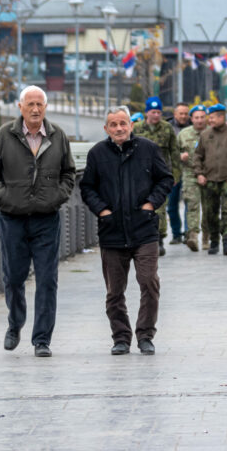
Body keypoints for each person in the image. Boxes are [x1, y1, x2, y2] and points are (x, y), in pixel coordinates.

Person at [0, 86, 76, 358]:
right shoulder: (4, 135)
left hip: (47, 219)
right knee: (13, 278)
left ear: (46, 107)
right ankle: (15, 323)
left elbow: (69, 172)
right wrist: (3, 197)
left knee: (47, 280)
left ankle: (42, 339)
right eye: (30, 104)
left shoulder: (57, 136)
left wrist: (58, 196)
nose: (35, 109)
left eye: (40, 104)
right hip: (13, 218)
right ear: (20, 107)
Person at [80, 106, 174, 356]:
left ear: (131, 125)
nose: (119, 128)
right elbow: (87, 188)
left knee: (148, 282)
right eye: (113, 124)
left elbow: (166, 179)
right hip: (112, 233)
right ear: (106, 129)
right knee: (114, 291)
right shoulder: (97, 154)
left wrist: (150, 204)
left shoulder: (148, 149)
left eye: (123, 123)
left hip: (144, 230)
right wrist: (103, 211)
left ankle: (145, 335)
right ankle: (121, 337)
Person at [194, 103, 227, 255]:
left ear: (221, 117)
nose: (209, 120)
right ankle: (214, 241)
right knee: (210, 212)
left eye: (212, 117)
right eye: (209, 117)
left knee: (226, 211)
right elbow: (197, 156)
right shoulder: (205, 135)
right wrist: (199, 173)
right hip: (209, 180)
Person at [133, 97, 181, 255]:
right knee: (141, 208)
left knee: (160, 209)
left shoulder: (167, 129)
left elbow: (174, 152)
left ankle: (159, 239)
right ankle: (143, 240)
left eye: (159, 112)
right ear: (146, 112)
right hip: (140, 176)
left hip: (161, 176)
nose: (156, 115)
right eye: (153, 112)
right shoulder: (137, 129)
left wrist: (175, 174)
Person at [178, 104, 208, 252]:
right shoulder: (184, 134)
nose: (200, 120)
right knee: (192, 205)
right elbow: (173, 152)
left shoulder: (212, 133)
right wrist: (180, 156)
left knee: (209, 207)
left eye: (202, 117)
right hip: (189, 174)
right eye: (196, 117)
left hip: (210, 174)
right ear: (191, 119)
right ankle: (193, 236)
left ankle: (207, 237)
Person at [165, 102, 191, 245]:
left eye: (186, 113)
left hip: (188, 171)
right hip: (172, 172)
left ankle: (188, 233)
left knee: (189, 203)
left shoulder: (193, 128)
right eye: (180, 113)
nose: (183, 116)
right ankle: (176, 233)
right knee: (172, 204)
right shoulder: (167, 128)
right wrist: (177, 157)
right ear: (175, 114)